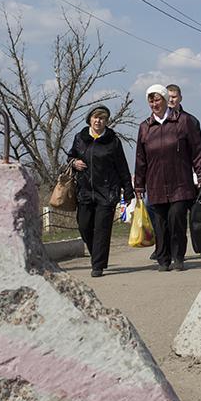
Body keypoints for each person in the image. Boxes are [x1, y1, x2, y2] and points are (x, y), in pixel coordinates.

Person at [134, 84, 201, 272]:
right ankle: (163, 258)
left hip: (180, 182)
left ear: (166, 99)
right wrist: (139, 185)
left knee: (176, 218)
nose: (154, 104)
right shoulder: (145, 127)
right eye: (150, 100)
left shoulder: (183, 121)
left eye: (157, 99)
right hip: (156, 183)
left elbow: (197, 150)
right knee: (160, 223)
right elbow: (140, 158)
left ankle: (178, 256)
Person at [68, 105, 134, 277]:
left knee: (102, 230)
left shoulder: (113, 141)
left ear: (106, 121)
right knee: (84, 227)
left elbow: (122, 167)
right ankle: (97, 255)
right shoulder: (80, 138)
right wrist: (74, 163)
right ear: (90, 119)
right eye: (96, 117)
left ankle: (97, 265)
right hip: (85, 191)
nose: (98, 121)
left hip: (107, 192)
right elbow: (70, 156)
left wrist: (128, 190)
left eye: (102, 118)